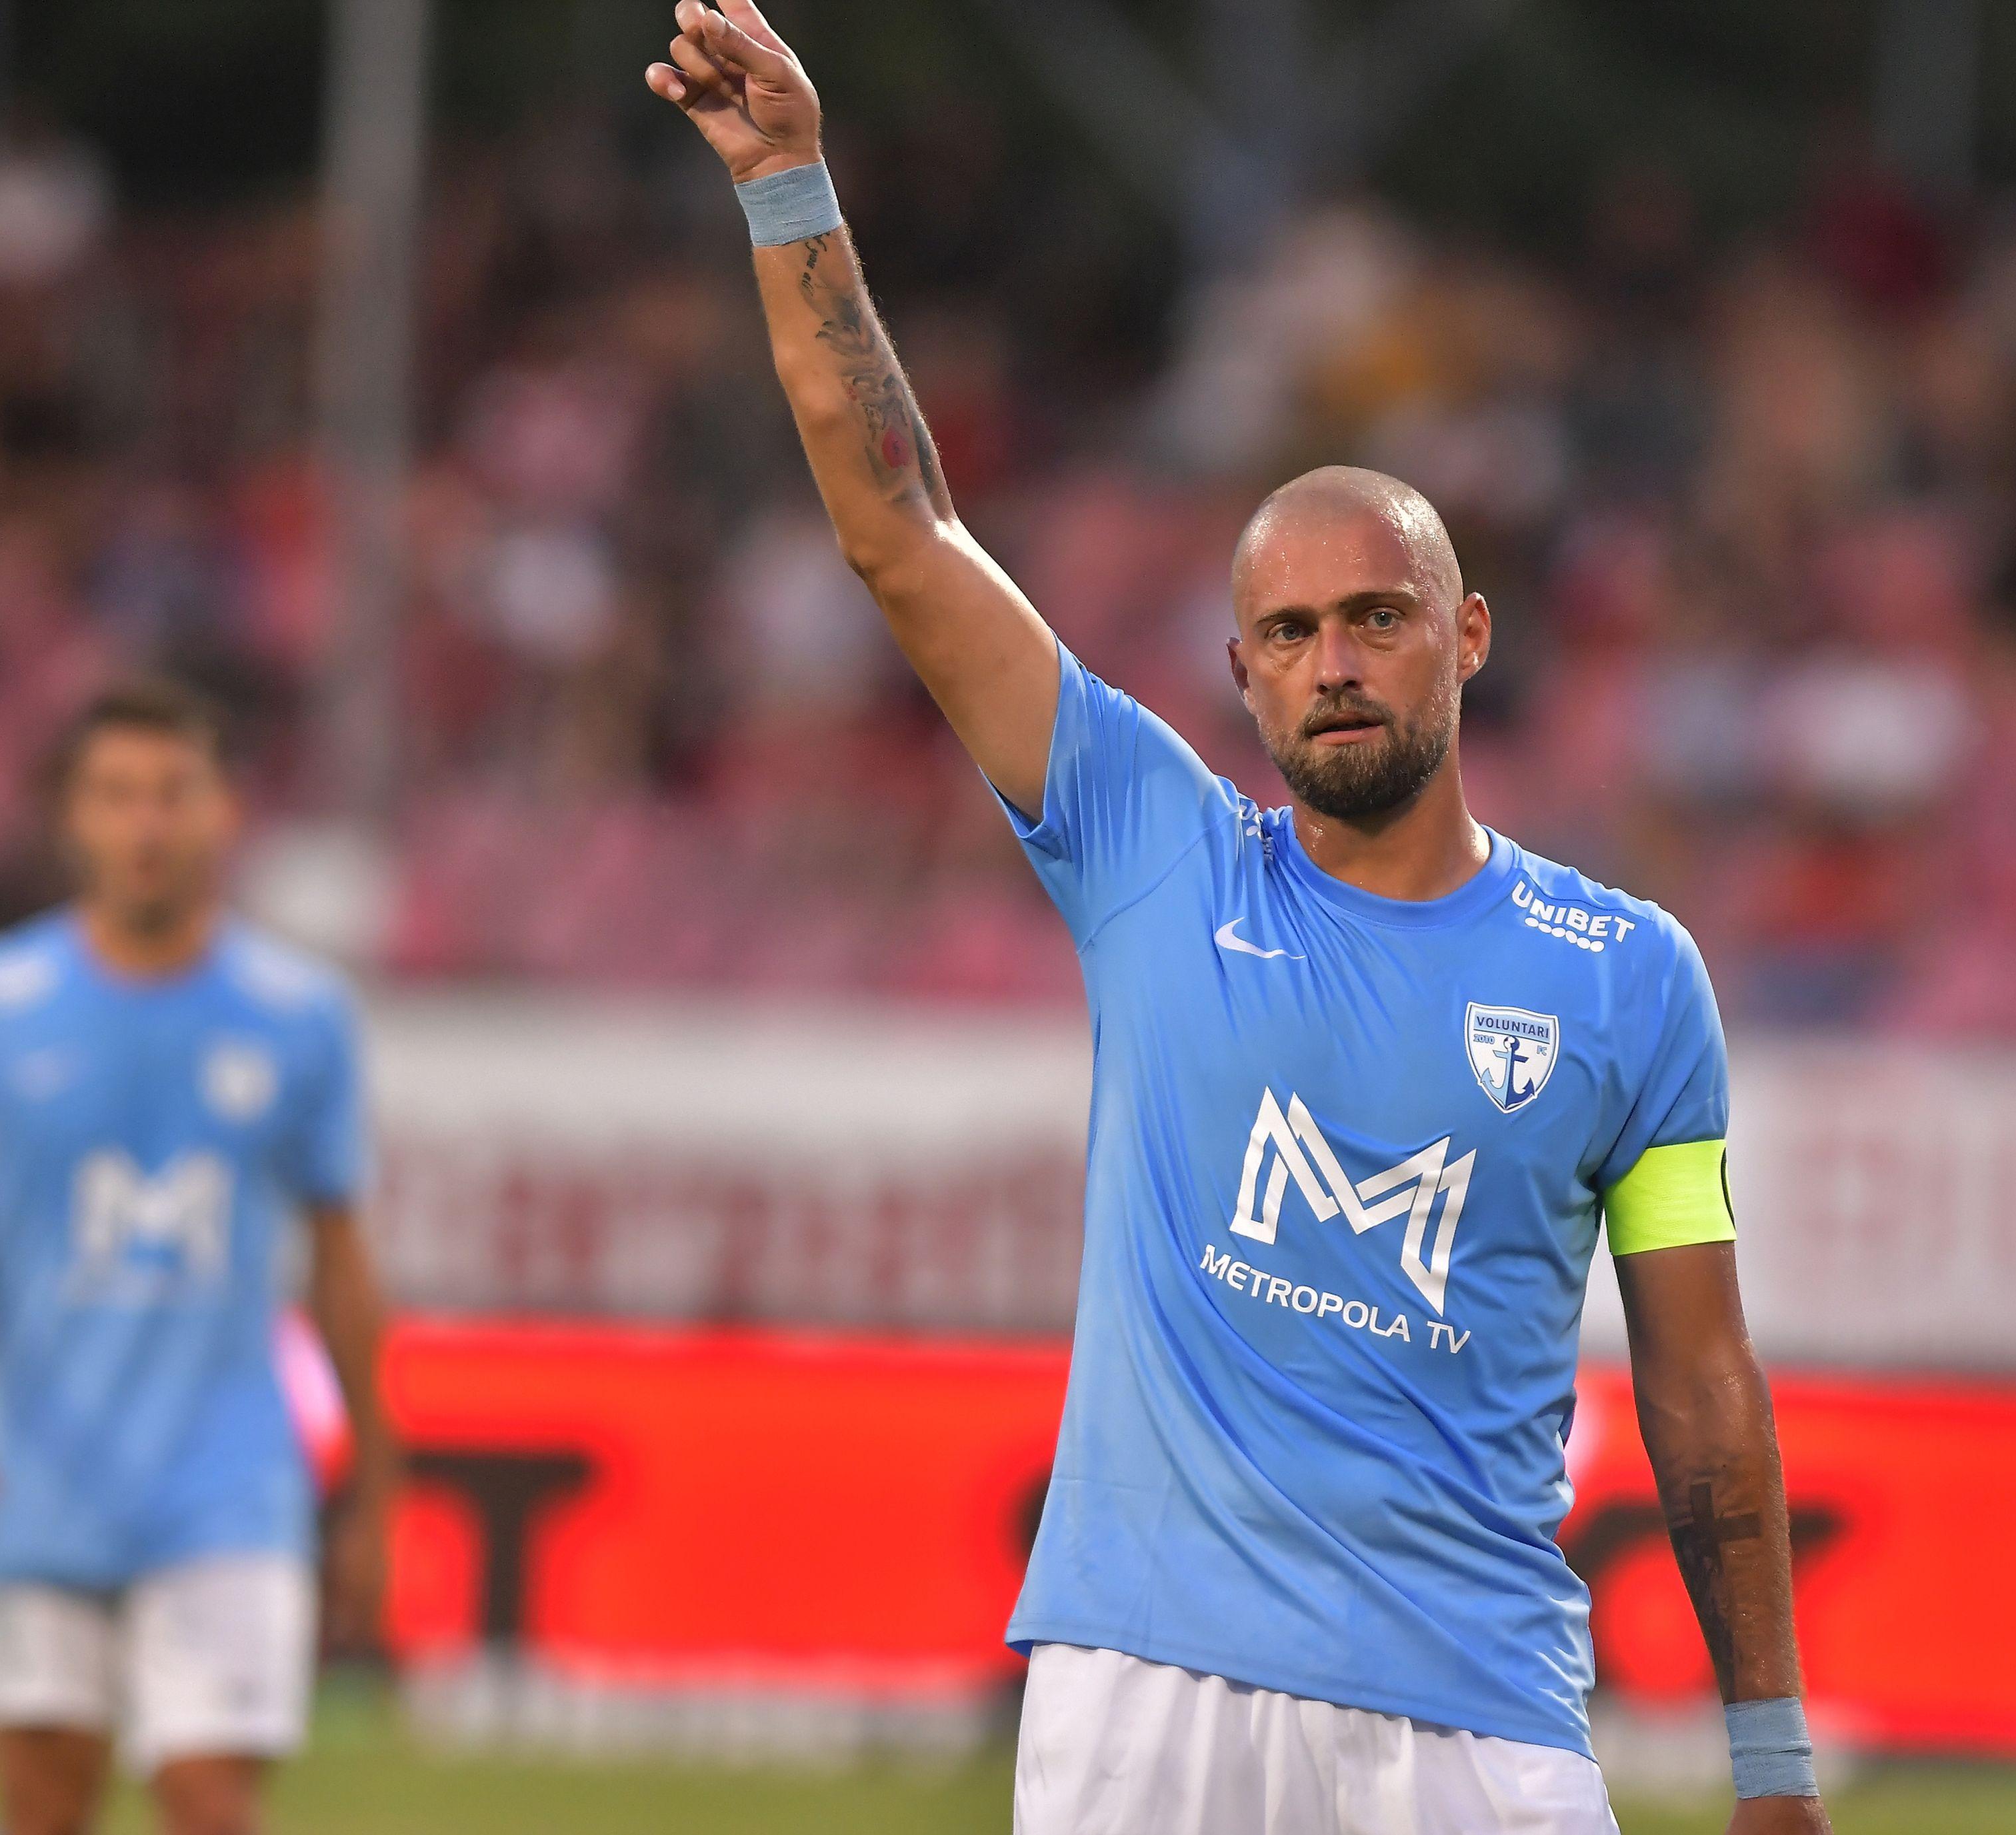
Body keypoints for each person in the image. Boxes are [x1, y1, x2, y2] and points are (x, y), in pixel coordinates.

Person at [651, 7, 1832, 1830]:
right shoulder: (1151, 846)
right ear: (1240, 673)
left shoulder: (1631, 982)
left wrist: (1766, 1753)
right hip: (1147, 1691)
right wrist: (790, 189)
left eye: (1376, 617)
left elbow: (1698, 1382)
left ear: (1467, 636)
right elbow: (900, 530)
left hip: (1473, 1715)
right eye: (1288, 633)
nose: (1332, 662)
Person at [0, 681, 396, 1835]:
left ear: (224, 810)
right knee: (40, 1805)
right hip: (35, 1479)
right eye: (117, 795)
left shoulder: (299, 1015)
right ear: (72, 816)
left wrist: (374, 1487)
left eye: (172, 793)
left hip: (227, 1484)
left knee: (211, 1801)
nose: (146, 824)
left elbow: (341, 1261)